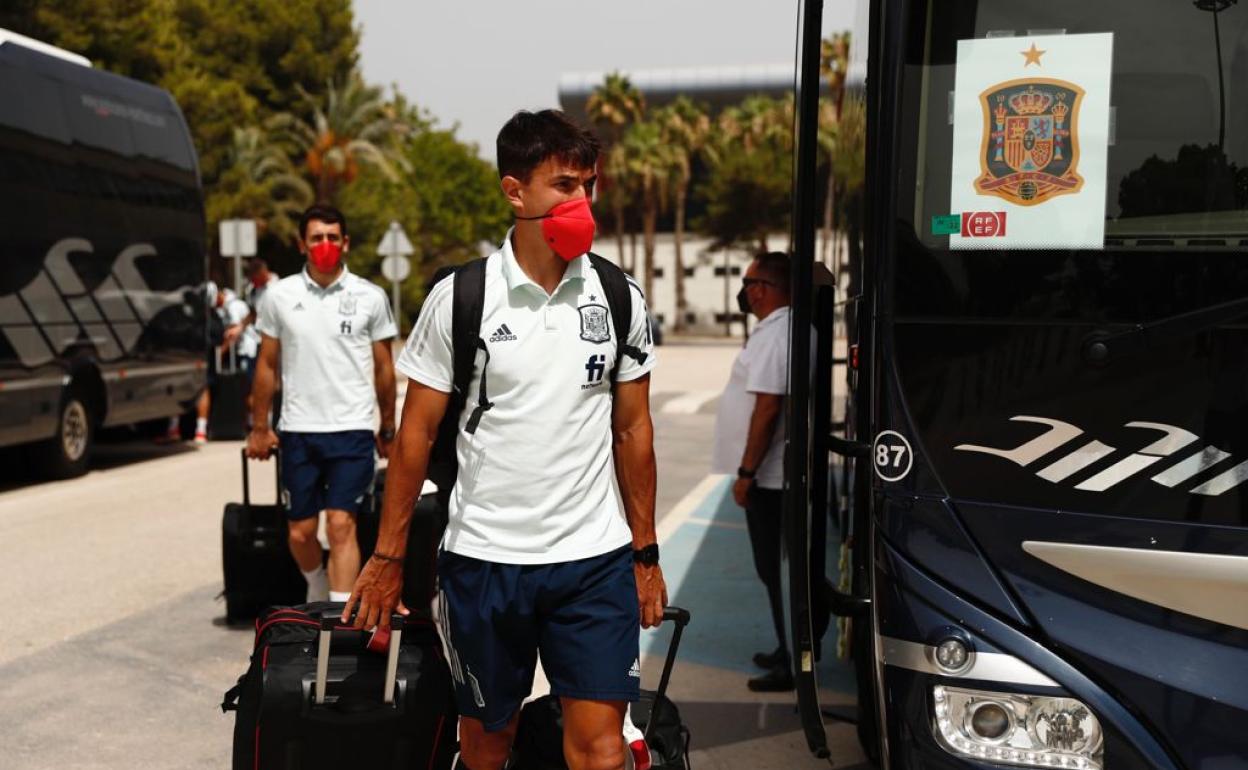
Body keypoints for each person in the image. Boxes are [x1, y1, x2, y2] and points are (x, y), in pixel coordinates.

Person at [343, 109, 665, 770]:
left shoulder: (618, 296)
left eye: (589, 186)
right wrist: (388, 557)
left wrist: (645, 551)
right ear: (514, 192)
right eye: (565, 186)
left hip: (593, 563)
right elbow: (414, 436)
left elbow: (633, 429)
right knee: (488, 748)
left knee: (602, 751)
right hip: (485, 562)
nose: (582, 202)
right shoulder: (461, 298)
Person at [245, 204, 398, 603]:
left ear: (345, 243)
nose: (325, 245)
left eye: (332, 237)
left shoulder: (370, 296)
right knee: (300, 530)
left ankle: (339, 618)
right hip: (298, 431)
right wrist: (260, 427)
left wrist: (388, 427)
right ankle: (315, 580)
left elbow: (384, 367)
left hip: (352, 430)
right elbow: (266, 364)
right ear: (302, 244)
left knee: (341, 525)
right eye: (316, 238)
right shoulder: (279, 297)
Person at [711, 252, 799, 692]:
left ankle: (794, 659)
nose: (745, 291)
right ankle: (790, 648)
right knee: (776, 570)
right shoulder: (779, 331)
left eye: (748, 283)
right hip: (772, 474)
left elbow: (767, 408)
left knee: (777, 569)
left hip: (770, 477)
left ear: (764, 288)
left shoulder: (775, 334)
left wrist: (746, 472)